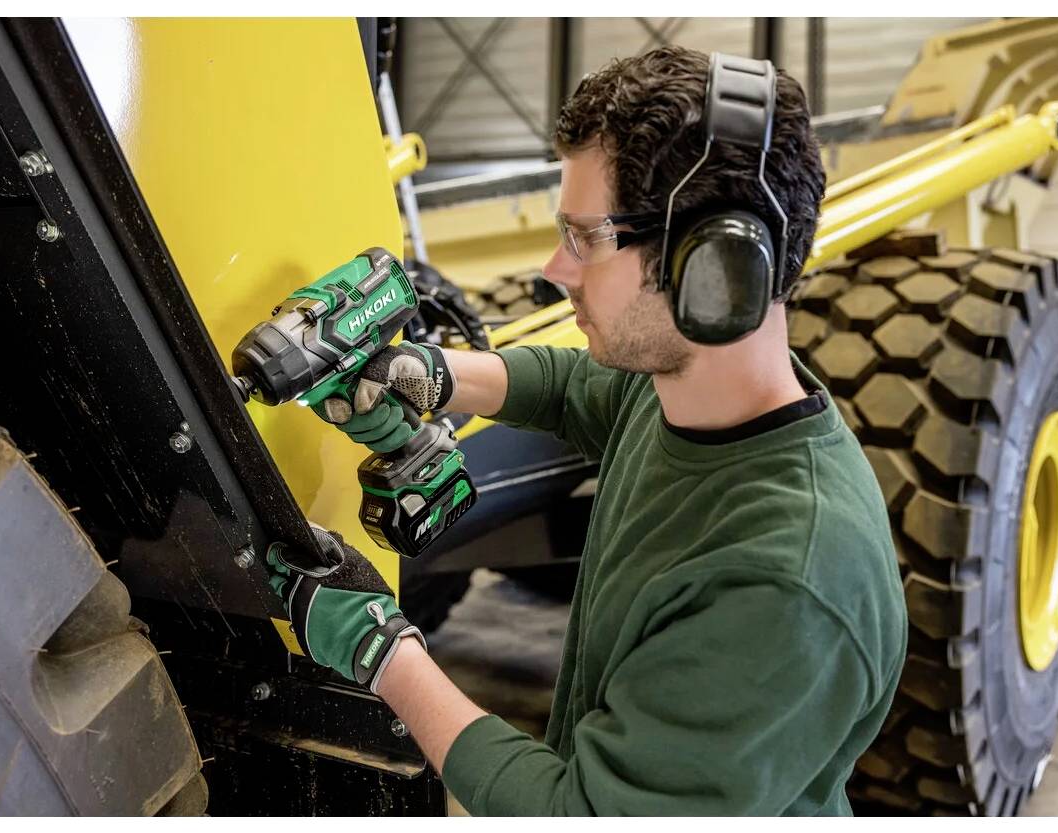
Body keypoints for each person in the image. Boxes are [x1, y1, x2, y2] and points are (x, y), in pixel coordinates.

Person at [265, 45, 907, 816]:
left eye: (585, 239)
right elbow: (579, 387)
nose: (554, 269)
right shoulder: (685, 391)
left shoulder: (787, 579)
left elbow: (579, 812)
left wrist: (383, 650)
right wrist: (429, 372)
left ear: (712, 269)